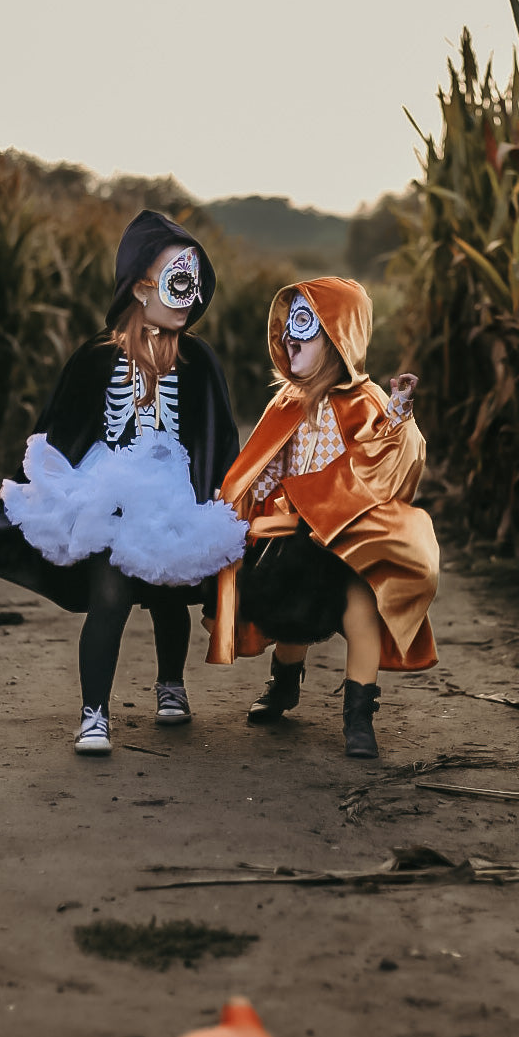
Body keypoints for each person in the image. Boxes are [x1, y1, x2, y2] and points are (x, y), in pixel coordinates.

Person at [0, 210, 243, 757]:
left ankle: (171, 685)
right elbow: (59, 426)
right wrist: (28, 486)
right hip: (107, 496)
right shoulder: (98, 356)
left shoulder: (199, 360)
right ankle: (94, 713)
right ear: (141, 286)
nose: (188, 296)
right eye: (176, 281)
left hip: (175, 496)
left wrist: (224, 494)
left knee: (167, 593)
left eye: (194, 283)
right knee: (108, 594)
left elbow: (219, 433)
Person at [205, 277, 438, 757]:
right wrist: (237, 504)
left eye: (304, 325)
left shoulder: (366, 402)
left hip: (349, 540)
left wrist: (399, 413)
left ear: (337, 337)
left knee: (360, 613)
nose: (289, 337)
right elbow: (266, 467)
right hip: (297, 538)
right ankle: (284, 684)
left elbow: (386, 461)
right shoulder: (286, 402)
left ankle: (359, 714)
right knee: (291, 615)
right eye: (287, 325)